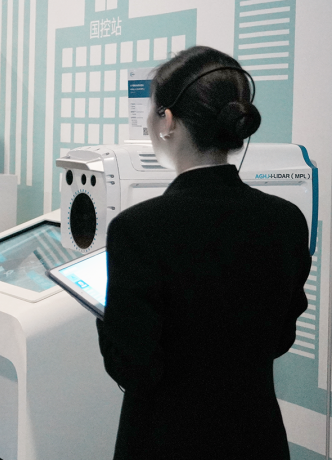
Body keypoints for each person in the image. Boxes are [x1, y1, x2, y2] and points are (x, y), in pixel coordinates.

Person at [97, 46, 312, 460]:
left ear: (167, 121)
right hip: (257, 437)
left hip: (164, 440)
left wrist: (107, 315)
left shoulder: (137, 229)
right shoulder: (286, 219)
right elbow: (280, 338)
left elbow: (133, 367)